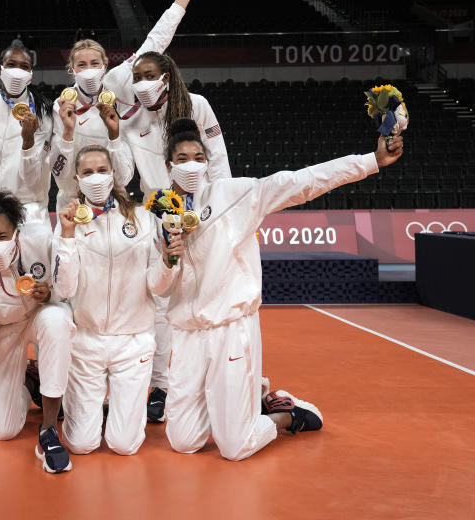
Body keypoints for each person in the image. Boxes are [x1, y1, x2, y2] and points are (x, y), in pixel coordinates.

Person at [159, 118, 404, 460]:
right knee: (184, 441)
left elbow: (300, 182)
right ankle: (253, 396)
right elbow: (160, 282)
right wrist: (168, 256)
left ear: (208, 162)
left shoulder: (236, 194)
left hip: (230, 327)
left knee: (234, 447)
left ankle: (288, 414)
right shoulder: (160, 212)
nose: (191, 165)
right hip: (187, 334)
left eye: (198, 157)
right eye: (182, 159)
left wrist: (369, 162)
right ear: (168, 165)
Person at [123, 50, 231, 424]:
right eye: (136, 77)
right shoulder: (131, 120)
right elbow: (123, 170)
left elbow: (217, 159)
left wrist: (218, 209)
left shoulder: (197, 106)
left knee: (206, 296)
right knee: (160, 305)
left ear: (166, 76)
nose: (142, 83)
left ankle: (210, 379)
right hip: (159, 217)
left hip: (201, 213)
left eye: (148, 74)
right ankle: (160, 386)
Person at [52, 145, 181, 456]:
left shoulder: (143, 218)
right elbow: (64, 288)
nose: (95, 178)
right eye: (87, 173)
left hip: (133, 342)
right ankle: (94, 407)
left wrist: (168, 261)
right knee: (82, 445)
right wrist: (67, 237)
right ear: (76, 178)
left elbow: (158, 287)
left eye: (102, 171)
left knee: (124, 445)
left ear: (113, 175)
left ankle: (115, 407)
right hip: (87, 341)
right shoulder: (69, 221)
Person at [50, 0, 206, 211]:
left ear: (105, 66)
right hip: (73, 199)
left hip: (116, 196)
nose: (89, 70)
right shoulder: (62, 106)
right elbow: (59, 169)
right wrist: (67, 134)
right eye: (81, 65)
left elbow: (156, 41)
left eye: (95, 64)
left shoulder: (117, 80)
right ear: (71, 70)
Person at [0, 191, 75, 473]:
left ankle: (48, 429)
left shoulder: (42, 244)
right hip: (4, 331)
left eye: (2, 236)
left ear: (17, 233)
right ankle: (28, 381)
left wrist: (51, 293)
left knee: (56, 321)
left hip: (39, 314)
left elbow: (68, 289)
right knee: (2, 430)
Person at [0, 46, 57, 226]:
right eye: (11, 65)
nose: (17, 72)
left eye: (24, 66)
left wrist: (29, 140)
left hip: (30, 209)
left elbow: (39, 168)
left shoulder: (45, 112)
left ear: (30, 74)